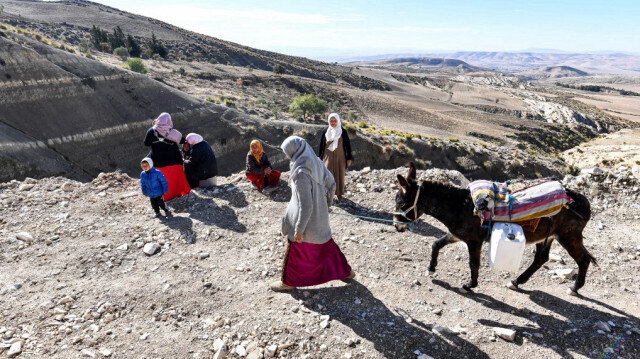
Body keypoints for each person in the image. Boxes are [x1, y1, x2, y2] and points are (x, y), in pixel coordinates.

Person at [272, 136, 355, 291]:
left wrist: (299, 230)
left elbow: (306, 205)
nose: (285, 156)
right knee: (325, 244)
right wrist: (326, 205)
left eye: (286, 152)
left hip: (305, 220)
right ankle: (346, 272)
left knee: (295, 252)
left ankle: (288, 282)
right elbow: (332, 183)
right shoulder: (315, 162)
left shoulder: (301, 173)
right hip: (320, 218)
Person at [143, 112, 191, 201]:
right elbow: (182, 141)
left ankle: (165, 196)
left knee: (162, 179)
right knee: (175, 178)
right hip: (174, 159)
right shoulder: (173, 132)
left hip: (158, 160)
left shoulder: (151, 131)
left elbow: (146, 143)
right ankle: (178, 193)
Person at [318, 113, 353, 200]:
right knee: (327, 175)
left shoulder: (342, 131)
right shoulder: (325, 130)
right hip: (327, 157)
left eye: (334, 121)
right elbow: (321, 145)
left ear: (338, 121)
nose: (333, 122)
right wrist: (319, 157)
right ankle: (327, 194)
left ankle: (339, 193)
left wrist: (349, 158)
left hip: (340, 157)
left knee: (339, 174)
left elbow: (347, 145)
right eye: (331, 121)